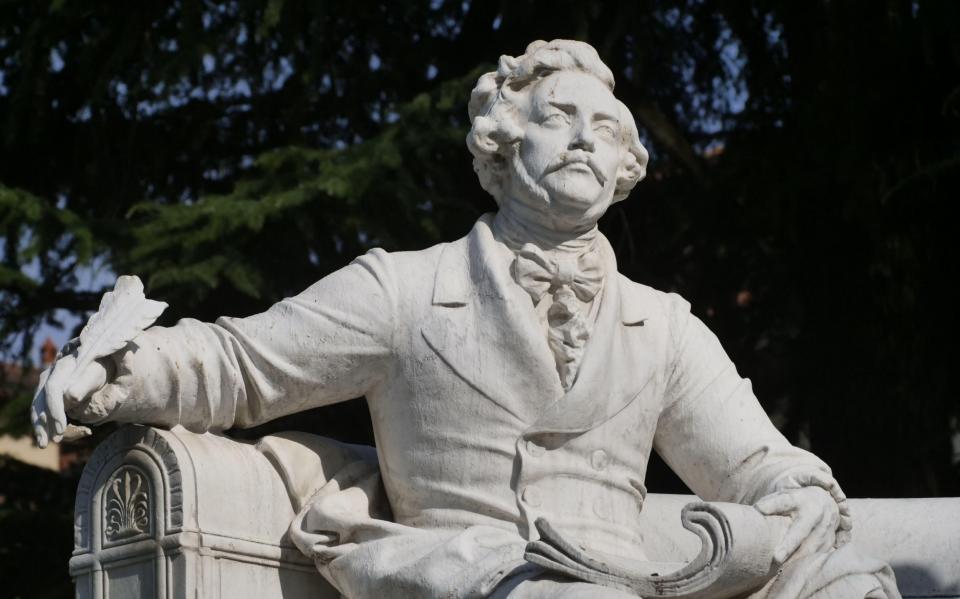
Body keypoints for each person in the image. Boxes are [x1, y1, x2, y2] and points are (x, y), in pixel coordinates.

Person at [32, 40, 897, 598]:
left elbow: (758, 464)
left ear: (626, 165)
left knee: (855, 582)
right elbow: (240, 364)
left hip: (639, 579)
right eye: (558, 118)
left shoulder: (663, 326)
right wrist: (105, 371)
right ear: (501, 143)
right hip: (473, 572)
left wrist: (784, 514)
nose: (585, 140)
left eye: (605, 127)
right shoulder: (405, 291)